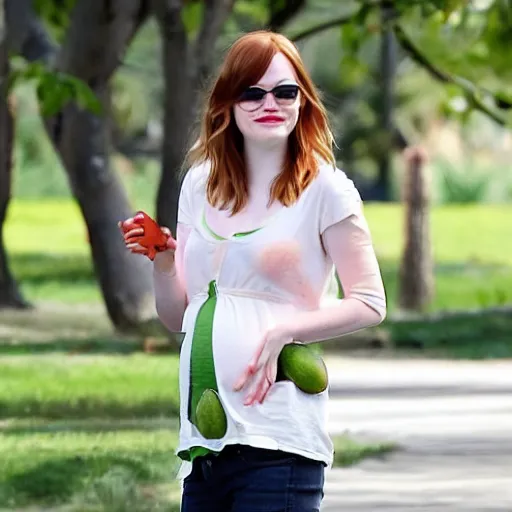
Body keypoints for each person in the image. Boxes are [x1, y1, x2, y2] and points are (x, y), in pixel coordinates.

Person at [120, 30, 386, 512]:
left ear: (303, 100)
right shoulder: (201, 184)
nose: (271, 103)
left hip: (280, 441)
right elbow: (178, 315)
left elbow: (369, 302)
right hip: (204, 444)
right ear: (228, 102)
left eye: (286, 92)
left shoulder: (326, 189)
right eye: (252, 92)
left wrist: (285, 330)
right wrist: (163, 261)